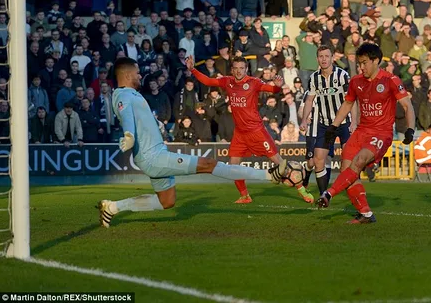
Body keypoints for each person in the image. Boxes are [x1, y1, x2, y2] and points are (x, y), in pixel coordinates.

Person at [97, 57, 292, 228]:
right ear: (128, 74)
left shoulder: (133, 94)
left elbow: (138, 117)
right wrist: (129, 135)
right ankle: (269, 176)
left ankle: (113, 207)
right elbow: (126, 117)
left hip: (153, 154)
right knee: (208, 164)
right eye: (138, 73)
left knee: (167, 201)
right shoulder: (122, 95)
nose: (141, 76)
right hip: (153, 157)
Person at [187, 55, 314, 204]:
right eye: (236, 68)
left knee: (279, 162)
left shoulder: (253, 82)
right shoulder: (228, 81)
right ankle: (245, 195)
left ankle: (301, 189)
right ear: (232, 70)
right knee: (233, 167)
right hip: (240, 134)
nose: (239, 71)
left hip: (256, 131)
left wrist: (278, 86)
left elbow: (271, 88)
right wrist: (192, 69)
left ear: (246, 69)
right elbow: (208, 81)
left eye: (242, 68)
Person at [315, 43, 416, 224]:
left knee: (359, 161)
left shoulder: (390, 80)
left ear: (376, 61)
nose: (361, 67)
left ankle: (328, 193)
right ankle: (366, 214)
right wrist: (333, 126)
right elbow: (347, 104)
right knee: (347, 172)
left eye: (364, 63)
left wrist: (410, 129)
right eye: (359, 63)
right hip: (361, 131)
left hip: (381, 134)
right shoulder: (356, 81)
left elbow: (407, 105)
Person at [300, 46, 356, 195]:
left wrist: (354, 122)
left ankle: (351, 190)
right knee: (318, 160)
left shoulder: (342, 75)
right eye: (321, 56)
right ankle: (324, 195)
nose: (324, 59)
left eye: (326, 56)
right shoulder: (314, 78)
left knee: (348, 160)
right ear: (317, 59)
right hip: (324, 124)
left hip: (344, 123)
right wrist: (304, 120)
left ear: (332, 58)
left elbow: (352, 100)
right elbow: (309, 100)